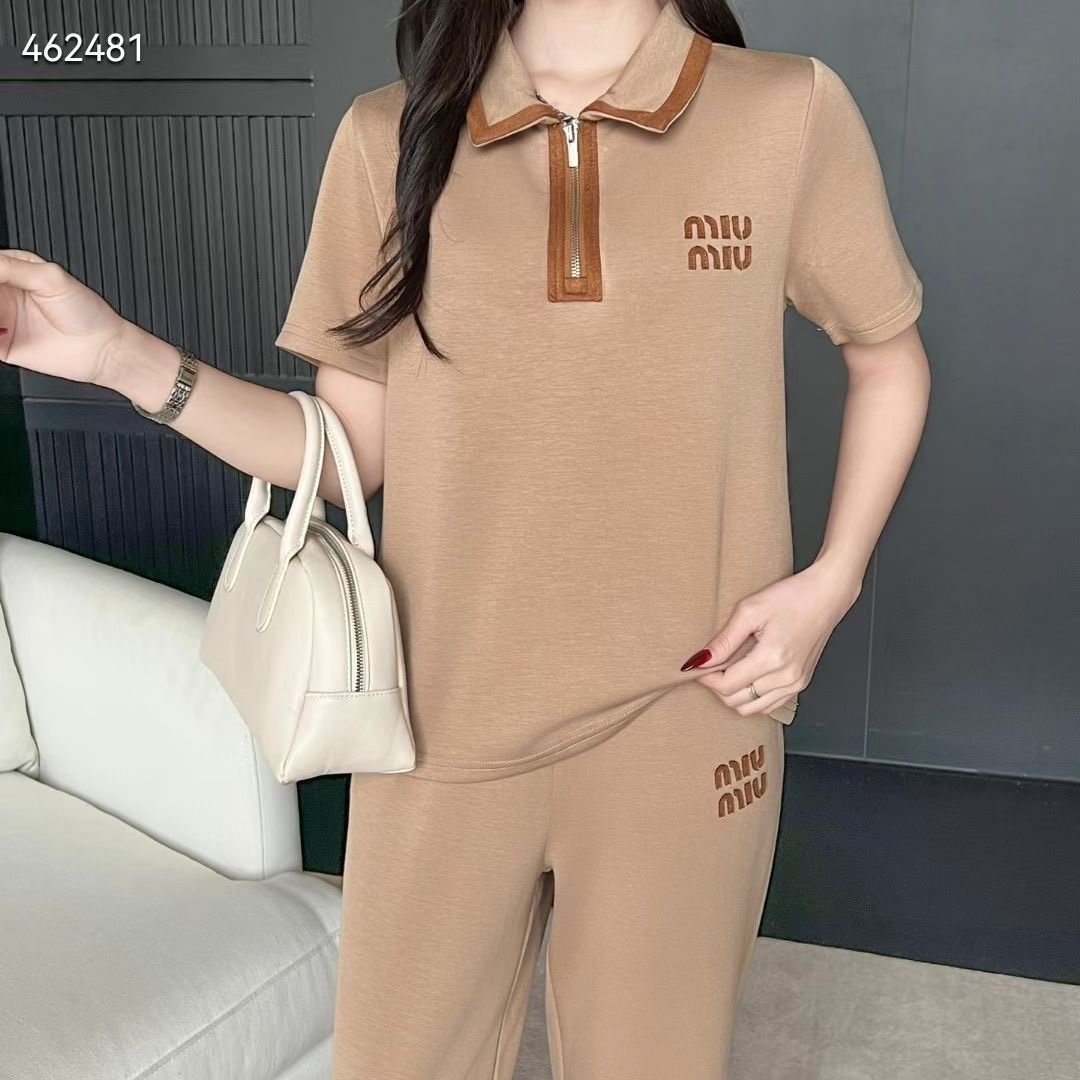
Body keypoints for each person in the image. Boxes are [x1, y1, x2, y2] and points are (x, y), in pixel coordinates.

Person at [0, 0, 931, 1075]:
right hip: (435, 725)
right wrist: (118, 358)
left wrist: (831, 584)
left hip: (690, 716)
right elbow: (346, 453)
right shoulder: (388, 135)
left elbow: (890, 360)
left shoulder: (786, 111)